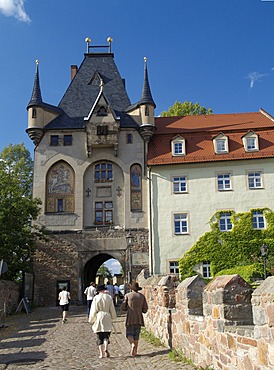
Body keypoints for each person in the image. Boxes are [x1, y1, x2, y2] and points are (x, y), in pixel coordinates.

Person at [89, 284, 117, 359]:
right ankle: (106, 348)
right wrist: (113, 316)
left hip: (99, 315)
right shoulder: (108, 297)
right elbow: (112, 308)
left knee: (99, 334)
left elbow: (93, 309)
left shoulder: (96, 298)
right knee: (106, 334)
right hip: (107, 315)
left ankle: (101, 354)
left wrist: (91, 319)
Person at [121, 281, 148, 356]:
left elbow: (123, 307)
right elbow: (145, 309)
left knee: (129, 333)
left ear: (132, 289)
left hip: (130, 317)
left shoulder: (128, 295)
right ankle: (135, 351)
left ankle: (132, 344)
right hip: (139, 317)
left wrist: (127, 307)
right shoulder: (142, 296)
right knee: (136, 335)